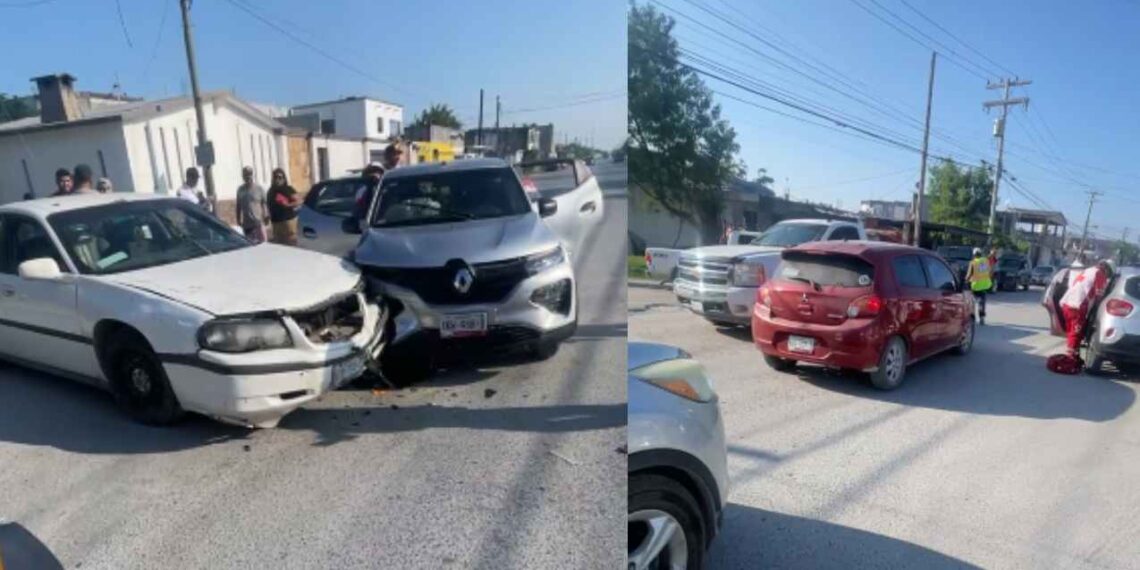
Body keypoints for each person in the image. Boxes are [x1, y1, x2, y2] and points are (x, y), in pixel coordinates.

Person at [1059, 259, 1114, 358]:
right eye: (1108, 274)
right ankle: (1070, 358)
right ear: (1106, 269)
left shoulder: (1089, 270)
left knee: (1071, 332)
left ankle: (1072, 354)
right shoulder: (1100, 274)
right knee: (1075, 333)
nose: (1107, 277)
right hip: (1078, 306)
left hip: (1067, 302)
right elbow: (1099, 295)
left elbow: (1074, 283)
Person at [267, 168, 302, 245]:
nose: (278, 179)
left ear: (284, 178)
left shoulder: (288, 189)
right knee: (280, 248)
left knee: (291, 245)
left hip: (288, 223)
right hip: (276, 224)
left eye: (280, 177)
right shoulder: (270, 191)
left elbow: (299, 201)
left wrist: (288, 205)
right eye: (275, 177)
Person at [235, 166, 268, 244]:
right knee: (250, 246)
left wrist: (266, 215)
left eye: (249, 174)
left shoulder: (259, 188)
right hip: (247, 225)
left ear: (252, 175)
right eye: (245, 174)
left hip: (258, 224)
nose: (248, 176)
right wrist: (238, 219)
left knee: (264, 245)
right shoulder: (240, 190)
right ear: (243, 176)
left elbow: (264, 203)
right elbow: (238, 205)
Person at [965, 247, 993, 325]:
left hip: (975, 286)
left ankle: (972, 318)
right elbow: (990, 272)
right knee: (982, 302)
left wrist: (965, 280)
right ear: (980, 254)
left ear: (974, 255)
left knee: (972, 302)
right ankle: (982, 318)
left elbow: (969, 274)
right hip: (984, 285)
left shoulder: (973, 263)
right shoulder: (985, 261)